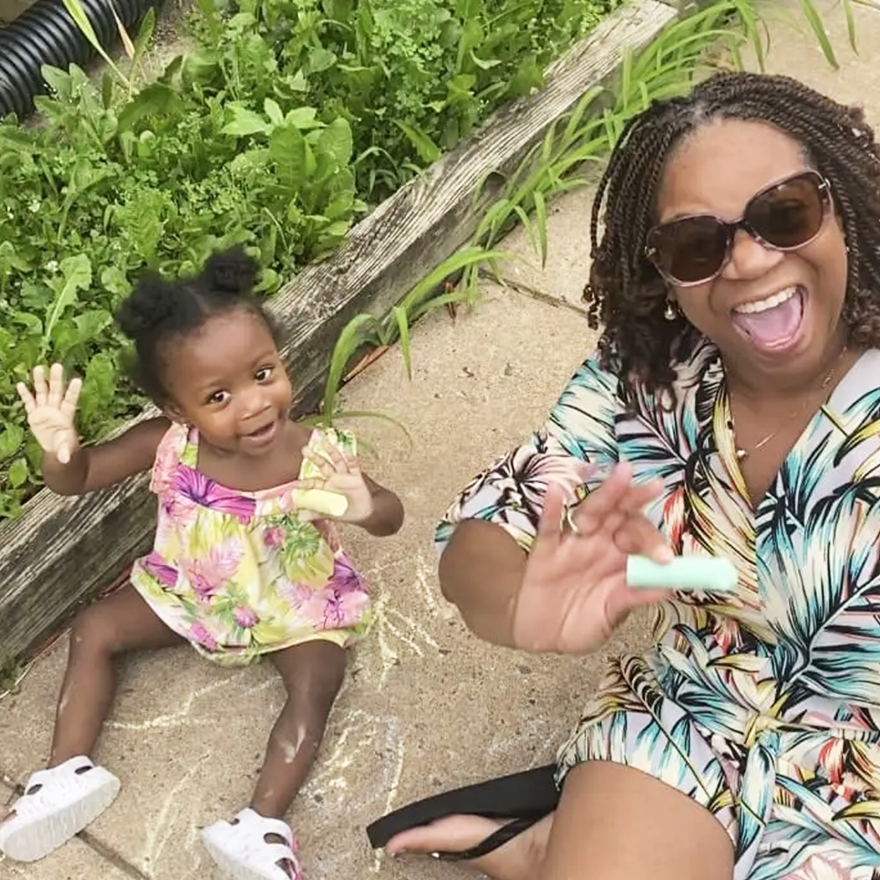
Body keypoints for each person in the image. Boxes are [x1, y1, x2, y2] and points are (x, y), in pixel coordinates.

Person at [367, 70, 880, 880]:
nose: (749, 261)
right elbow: (486, 531)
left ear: (841, 207)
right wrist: (522, 607)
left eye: (786, 214)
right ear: (661, 272)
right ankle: (558, 845)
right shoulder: (647, 379)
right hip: (699, 707)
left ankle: (546, 847)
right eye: (697, 245)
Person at [0, 248, 404, 880]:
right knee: (95, 628)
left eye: (263, 373)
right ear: (179, 412)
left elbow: (390, 514)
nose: (254, 403)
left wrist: (364, 506)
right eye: (219, 395)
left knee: (319, 679)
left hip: (292, 602)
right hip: (194, 590)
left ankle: (261, 825)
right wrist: (59, 449)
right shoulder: (168, 445)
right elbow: (76, 478)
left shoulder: (314, 452)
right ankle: (66, 771)